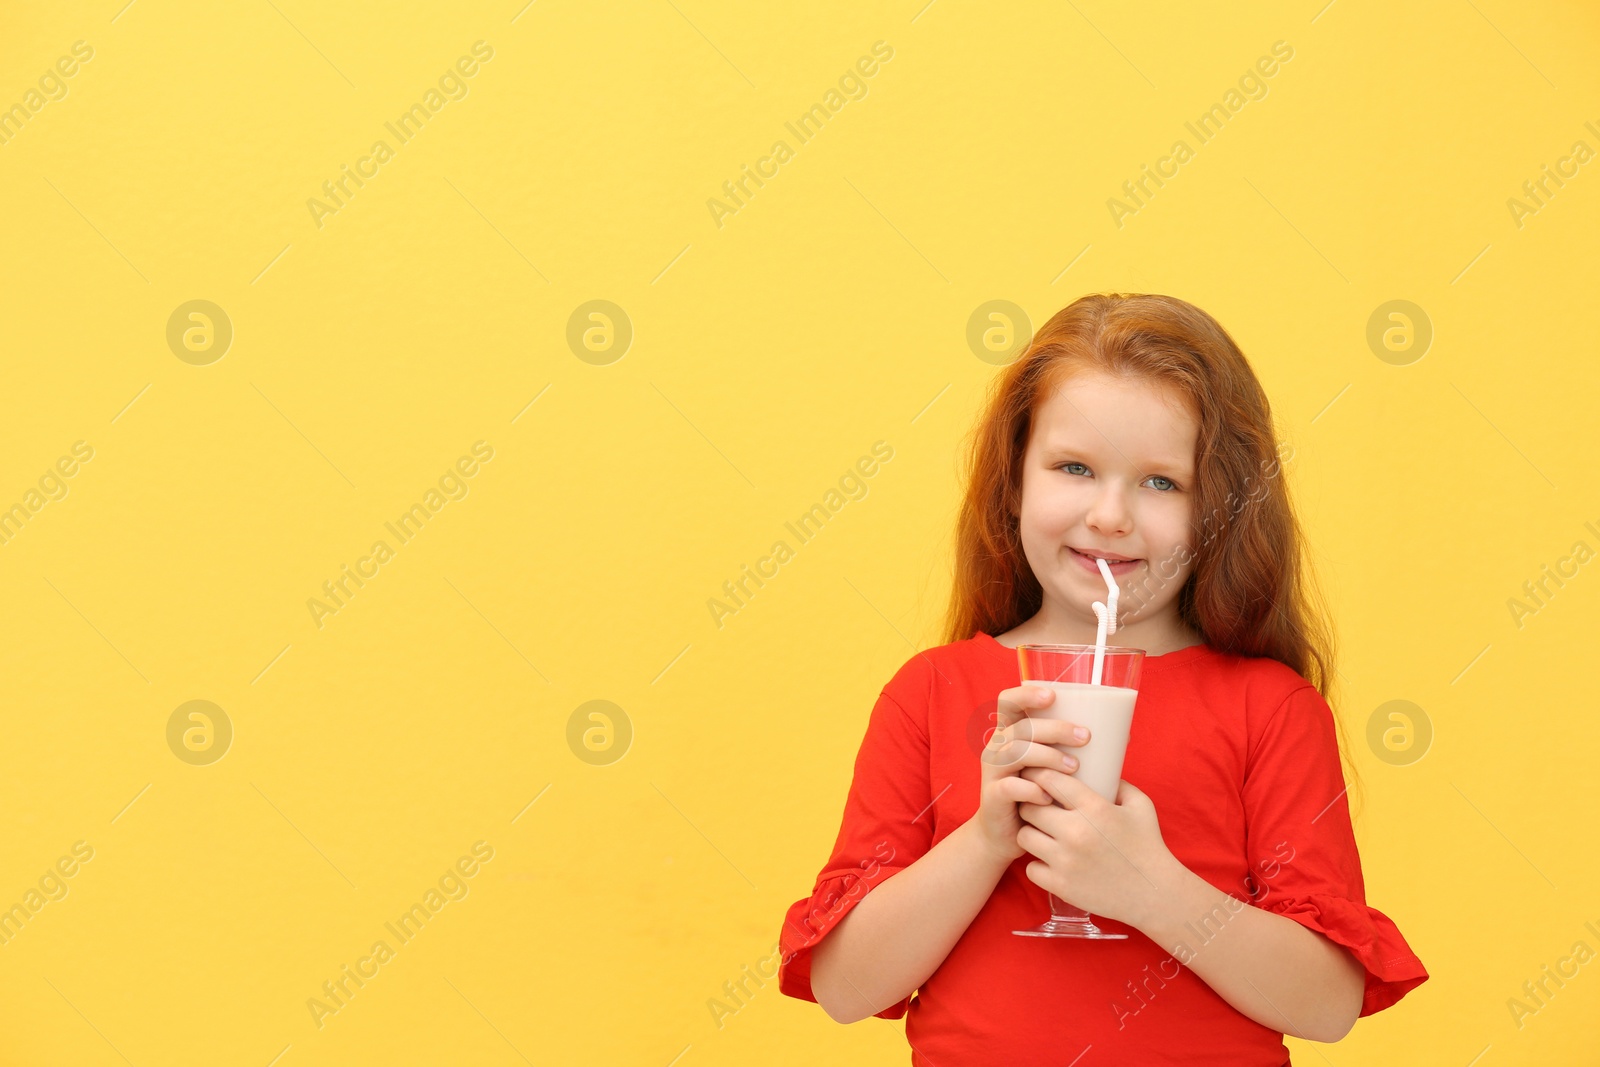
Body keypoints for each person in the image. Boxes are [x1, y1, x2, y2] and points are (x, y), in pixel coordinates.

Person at [776, 293, 1428, 1065]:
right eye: (1074, 467)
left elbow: (1326, 1005)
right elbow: (847, 988)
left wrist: (1148, 887)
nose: (1111, 514)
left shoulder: (1270, 708)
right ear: (1015, 481)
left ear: (1217, 505)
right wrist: (988, 838)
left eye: (1161, 482)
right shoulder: (928, 692)